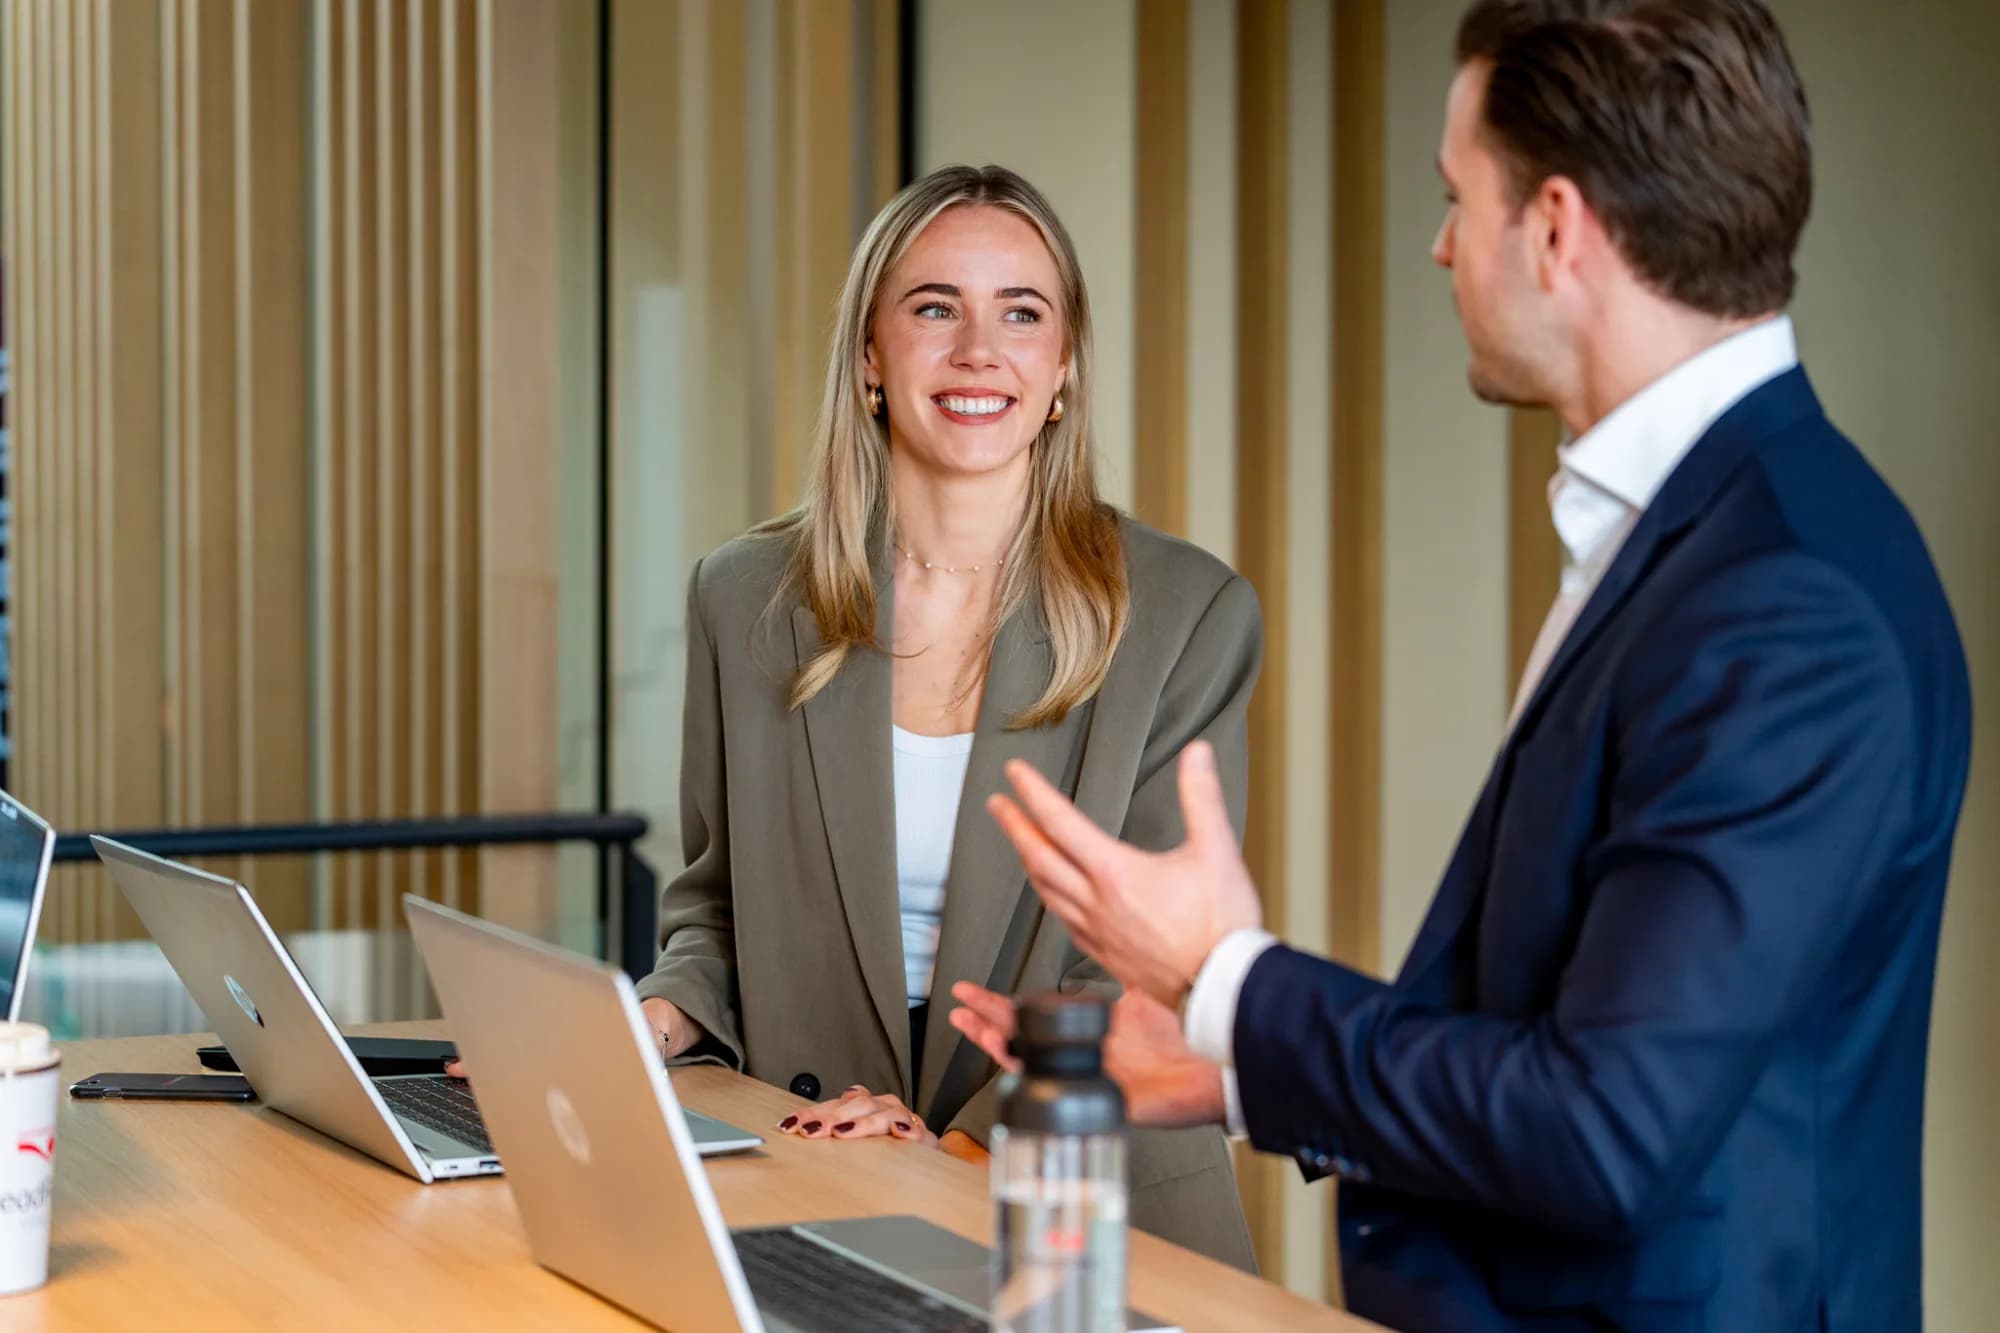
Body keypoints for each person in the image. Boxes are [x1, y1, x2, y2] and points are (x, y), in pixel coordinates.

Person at [952, 2, 1972, 1329]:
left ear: (1555, 229)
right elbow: (1577, 1041)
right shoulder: (1719, 536)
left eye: (1456, 200)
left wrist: (1231, 981)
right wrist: (1235, 1058)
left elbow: (1603, 1130)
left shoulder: (1787, 601)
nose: (1438, 247)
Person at [625, 164, 1259, 1269]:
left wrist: (951, 1147)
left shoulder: (1184, 614)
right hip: (814, 1169)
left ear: (1062, 366)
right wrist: (652, 1021)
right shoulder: (744, 598)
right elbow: (715, 910)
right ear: (870, 355)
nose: (979, 350)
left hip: (1080, 1193)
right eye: (933, 309)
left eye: (1021, 313)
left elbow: (1146, 979)